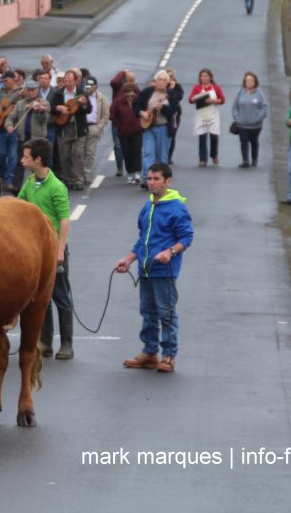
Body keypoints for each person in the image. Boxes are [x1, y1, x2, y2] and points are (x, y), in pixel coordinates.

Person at [117, 163, 193, 374]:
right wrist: (130, 258)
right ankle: (150, 353)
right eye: (149, 178)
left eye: (156, 179)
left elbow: (186, 238)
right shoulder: (148, 205)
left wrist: (170, 252)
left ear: (168, 181)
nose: (151, 182)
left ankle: (169, 356)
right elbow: (143, 239)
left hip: (164, 271)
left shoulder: (177, 207)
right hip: (145, 269)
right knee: (148, 312)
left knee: (166, 313)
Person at [18, 138, 75, 360]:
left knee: (61, 296)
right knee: (42, 297)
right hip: (37, 250)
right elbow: (19, 205)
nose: (22, 160)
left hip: (54, 248)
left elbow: (64, 221)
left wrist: (60, 251)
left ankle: (67, 343)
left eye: (26, 157)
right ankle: (45, 341)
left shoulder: (57, 187)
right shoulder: (30, 183)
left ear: (38, 159)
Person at [137, 70, 180, 188]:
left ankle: (161, 180)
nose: (161, 82)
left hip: (164, 127)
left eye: (164, 80)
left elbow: (173, 111)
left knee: (162, 156)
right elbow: (137, 105)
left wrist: (163, 107)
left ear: (168, 82)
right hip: (149, 127)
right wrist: (142, 113)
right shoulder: (147, 92)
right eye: (159, 80)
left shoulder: (171, 94)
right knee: (148, 153)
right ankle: (147, 179)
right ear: (155, 81)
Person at [50, 70, 91, 191]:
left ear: (75, 81)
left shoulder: (82, 93)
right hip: (63, 128)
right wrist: (58, 107)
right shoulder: (58, 94)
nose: (67, 83)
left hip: (78, 127)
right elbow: (50, 107)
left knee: (78, 153)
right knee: (64, 154)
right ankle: (68, 179)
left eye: (69, 81)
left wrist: (83, 104)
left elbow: (88, 109)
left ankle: (78, 179)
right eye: (65, 81)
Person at [0, 71, 23, 190]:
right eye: (3, 81)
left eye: (7, 80)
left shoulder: (20, 93)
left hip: (14, 128)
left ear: (14, 79)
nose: (5, 83)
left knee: (13, 156)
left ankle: (9, 180)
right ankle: (2, 176)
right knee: (0, 155)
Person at [230, 72, 269, 168]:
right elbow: (234, 107)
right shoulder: (240, 93)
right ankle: (245, 160)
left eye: (251, 80)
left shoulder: (259, 94)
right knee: (243, 140)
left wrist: (258, 118)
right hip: (242, 124)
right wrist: (236, 117)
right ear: (244, 81)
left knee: (254, 141)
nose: (249, 82)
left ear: (255, 82)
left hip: (255, 125)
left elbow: (264, 108)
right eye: (247, 80)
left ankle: (254, 159)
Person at [188, 68, 225, 167]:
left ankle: (214, 155)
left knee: (214, 135)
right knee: (202, 136)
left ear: (210, 77)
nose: (204, 78)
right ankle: (202, 159)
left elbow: (222, 100)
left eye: (206, 76)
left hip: (213, 114)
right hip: (201, 115)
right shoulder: (197, 88)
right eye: (202, 76)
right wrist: (196, 98)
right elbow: (190, 100)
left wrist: (213, 101)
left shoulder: (216, 87)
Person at [111, 81, 143, 185]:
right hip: (124, 133)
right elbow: (113, 116)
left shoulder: (139, 101)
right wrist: (120, 126)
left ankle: (137, 174)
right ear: (124, 93)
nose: (130, 95)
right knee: (127, 154)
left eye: (132, 92)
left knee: (137, 152)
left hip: (137, 131)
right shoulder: (118, 102)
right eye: (127, 92)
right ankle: (130, 174)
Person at [82, 77, 110, 183]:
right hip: (82, 126)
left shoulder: (102, 98)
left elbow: (106, 114)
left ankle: (86, 172)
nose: (89, 89)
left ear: (96, 86)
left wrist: (99, 127)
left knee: (90, 152)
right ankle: (78, 173)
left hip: (94, 127)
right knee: (79, 151)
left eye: (91, 86)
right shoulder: (81, 96)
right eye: (87, 86)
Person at [109, 70, 136, 177]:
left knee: (131, 146)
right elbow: (113, 82)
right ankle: (120, 167)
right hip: (118, 122)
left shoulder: (135, 90)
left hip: (131, 123)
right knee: (118, 145)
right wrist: (122, 72)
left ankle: (131, 167)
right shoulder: (118, 88)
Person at [165, 68, 185, 165]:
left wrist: (172, 89)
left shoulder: (177, 87)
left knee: (172, 135)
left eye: (171, 76)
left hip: (174, 114)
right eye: (167, 76)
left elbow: (178, 98)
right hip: (163, 113)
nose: (169, 78)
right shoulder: (161, 86)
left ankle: (169, 156)